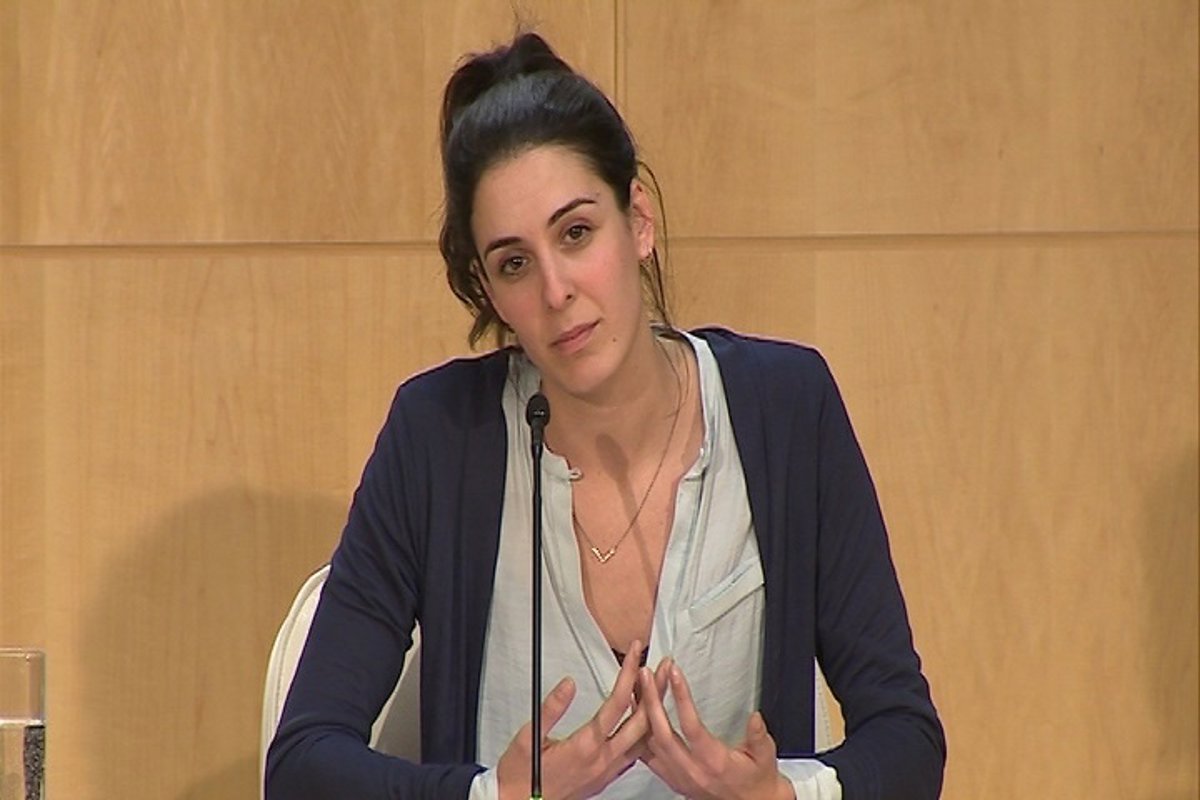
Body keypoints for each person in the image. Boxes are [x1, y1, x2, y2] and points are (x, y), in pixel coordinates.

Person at [266, 31, 945, 800]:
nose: (555, 291)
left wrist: (782, 797)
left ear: (639, 221)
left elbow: (907, 740)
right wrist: (495, 797)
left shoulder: (787, 410)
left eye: (576, 233)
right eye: (514, 263)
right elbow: (302, 765)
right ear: (489, 291)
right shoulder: (438, 437)